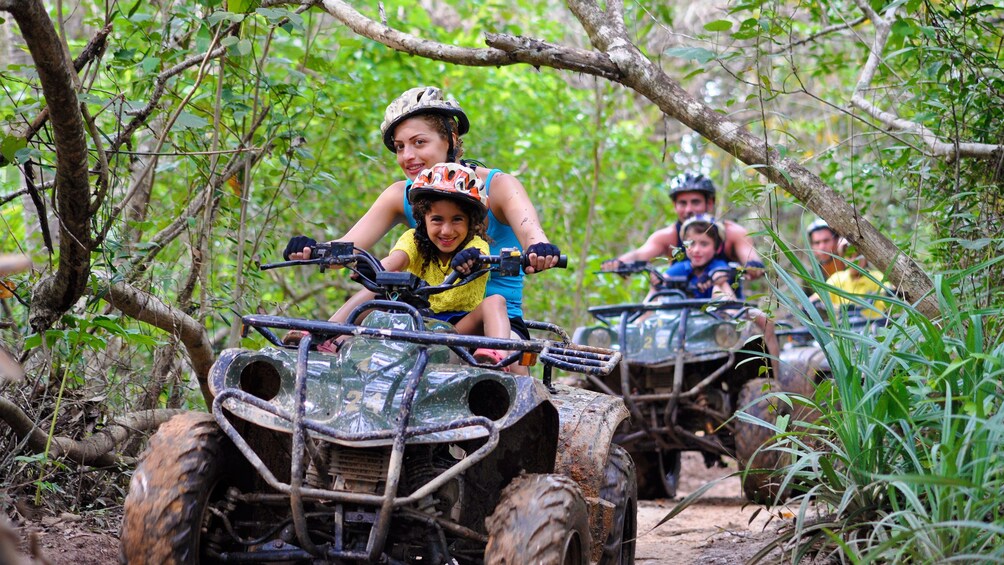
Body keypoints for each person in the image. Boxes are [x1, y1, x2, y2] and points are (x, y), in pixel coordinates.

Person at [284, 86, 560, 339]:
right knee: (381, 283)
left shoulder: (498, 187)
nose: (407, 156)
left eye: (419, 143)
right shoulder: (400, 194)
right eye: (400, 147)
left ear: (450, 139)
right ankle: (323, 336)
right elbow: (348, 249)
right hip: (424, 321)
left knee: (498, 367)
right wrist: (312, 249)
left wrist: (540, 250)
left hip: (492, 324)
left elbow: (531, 233)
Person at [601, 172, 764, 278]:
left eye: (695, 202)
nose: (689, 210)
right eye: (682, 203)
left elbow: (751, 259)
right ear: (674, 205)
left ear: (710, 203)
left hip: (725, 312)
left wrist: (752, 266)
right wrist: (618, 263)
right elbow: (640, 254)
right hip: (678, 311)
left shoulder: (733, 233)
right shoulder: (667, 236)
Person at [662, 215, 735, 299]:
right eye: (691, 243)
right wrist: (658, 280)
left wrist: (711, 278)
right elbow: (665, 278)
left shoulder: (718, 265)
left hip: (714, 311)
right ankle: (645, 311)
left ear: (717, 248)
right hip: (687, 311)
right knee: (657, 290)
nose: (696, 250)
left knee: (719, 286)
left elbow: (721, 274)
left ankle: (729, 311)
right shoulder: (683, 267)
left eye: (704, 244)